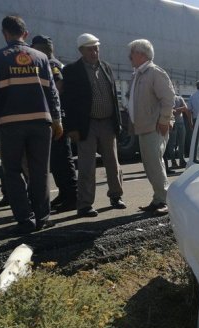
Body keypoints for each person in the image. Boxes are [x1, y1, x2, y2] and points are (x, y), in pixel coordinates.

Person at [0, 16, 61, 233]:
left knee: (13, 171)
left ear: (5, 33)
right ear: (26, 34)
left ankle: (25, 219)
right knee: (40, 171)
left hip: (10, 123)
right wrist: (58, 119)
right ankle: (42, 218)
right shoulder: (42, 57)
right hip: (41, 123)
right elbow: (52, 92)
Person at [62, 33, 126, 217]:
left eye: (96, 48)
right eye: (90, 49)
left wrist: (118, 123)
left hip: (107, 123)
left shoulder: (106, 67)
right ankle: (85, 204)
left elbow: (114, 97)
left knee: (113, 163)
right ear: (81, 50)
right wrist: (72, 127)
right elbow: (68, 101)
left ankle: (116, 196)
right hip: (86, 124)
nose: (94, 51)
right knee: (87, 165)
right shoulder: (72, 70)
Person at [31, 35, 78, 212]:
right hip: (54, 118)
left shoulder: (51, 64)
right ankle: (65, 194)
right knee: (57, 161)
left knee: (62, 160)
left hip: (57, 119)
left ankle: (72, 197)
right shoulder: (51, 62)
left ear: (40, 48)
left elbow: (58, 86)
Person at [128, 39, 175, 215]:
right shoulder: (138, 74)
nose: (129, 56)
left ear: (141, 54)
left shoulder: (155, 72)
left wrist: (163, 121)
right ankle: (158, 199)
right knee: (150, 165)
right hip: (144, 127)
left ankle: (164, 200)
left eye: (132, 52)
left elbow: (168, 98)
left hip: (154, 128)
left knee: (155, 164)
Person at [165, 94, 189, 171]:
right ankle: (178, 161)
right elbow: (184, 108)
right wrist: (179, 109)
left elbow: (185, 108)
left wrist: (175, 110)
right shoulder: (177, 98)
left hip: (175, 123)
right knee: (177, 143)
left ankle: (175, 161)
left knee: (173, 144)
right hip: (176, 123)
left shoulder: (173, 98)